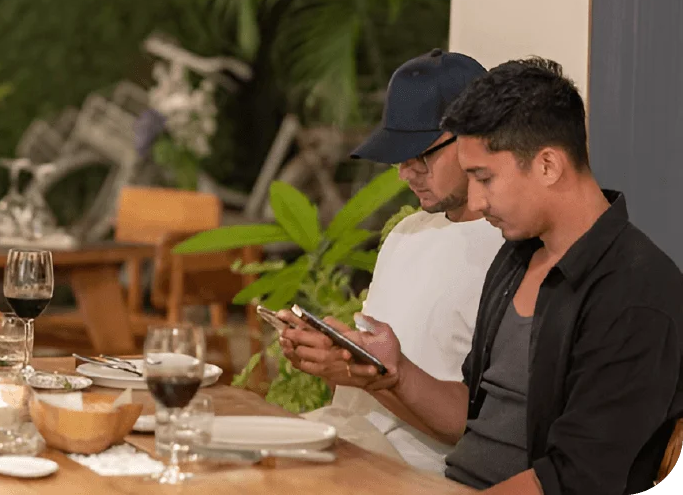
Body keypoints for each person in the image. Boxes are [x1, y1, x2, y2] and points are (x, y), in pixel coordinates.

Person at [279, 58, 683, 494]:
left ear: (547, 165)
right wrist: (392, 372)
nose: (475, 199)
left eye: (484, 178)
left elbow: (575, 480)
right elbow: (474, 414)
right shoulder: (517, 258)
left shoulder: (636, 292)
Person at [293, 49, 505, 474]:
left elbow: (484, 427)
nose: (406, 173)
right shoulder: (406, 234)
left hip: (420, 473)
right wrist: (336, 361)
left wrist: (376, 374)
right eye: (398, 157)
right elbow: (374, 379)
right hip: (349, 443)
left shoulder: (509, 251)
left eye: (420, 155)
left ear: (477, 139)